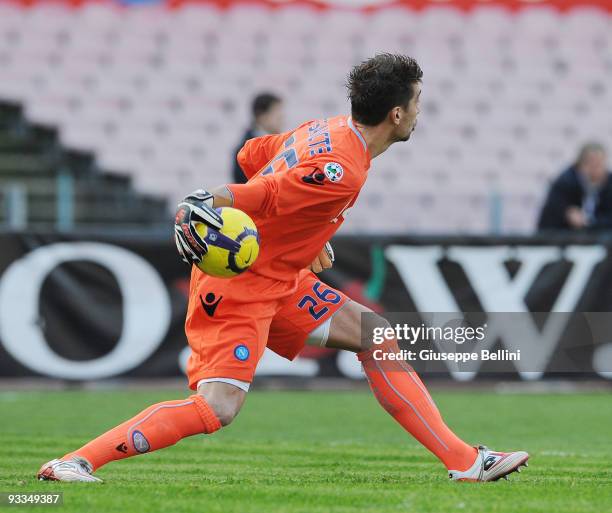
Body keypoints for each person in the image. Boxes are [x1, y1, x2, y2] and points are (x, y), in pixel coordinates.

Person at [38, 54, 528, 484]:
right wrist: (210, 199)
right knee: (217, 407)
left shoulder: (328, 128)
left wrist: (304, 239)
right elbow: (267, 192)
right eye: (418, 102)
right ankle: (75, 462)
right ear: (396, 113)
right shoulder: (343, 168)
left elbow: (252, 155)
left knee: (376, 335)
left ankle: (465, 460)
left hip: (281, 279)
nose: (420, 112)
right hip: (240, 289)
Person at [538, 143, 612, 230]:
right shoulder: (565, 182)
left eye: (599, 164)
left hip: (600, 238)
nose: (595, 169)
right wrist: (566, 213)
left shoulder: (609, 183)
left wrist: (591, 221)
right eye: (591, 164)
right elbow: (550, 214)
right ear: (580, 165)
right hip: (564, 237)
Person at [232, 93, 284, 184]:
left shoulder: (280, 144)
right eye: (277, 114)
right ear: (262, 116)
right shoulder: (244, 150)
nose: (282, 119)